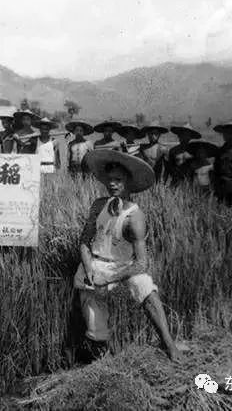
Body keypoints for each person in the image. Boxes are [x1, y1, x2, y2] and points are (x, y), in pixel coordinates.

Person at [74, 149, 181, 362]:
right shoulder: (98, 205)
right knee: (94, 322)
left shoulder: (134, 217)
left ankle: (169, 345)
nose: (112, 184)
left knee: (146, 288)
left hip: (123, 266)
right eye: (109, 179)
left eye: (118, 180)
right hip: (95, 264)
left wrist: (110, 278)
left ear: (128, 183)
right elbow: (84, 242)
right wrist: (90, 271)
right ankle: (102, 357)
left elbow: (142, 263)